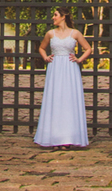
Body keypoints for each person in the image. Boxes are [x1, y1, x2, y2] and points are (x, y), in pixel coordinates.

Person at [33, 8, 93, 149]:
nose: (53, 18)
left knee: (68, 100)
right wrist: (45, 57)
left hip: (70, 68)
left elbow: (88, 48)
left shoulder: (75, 33)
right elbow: (42, 48)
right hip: (55, 69)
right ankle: (54, 138)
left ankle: (68, 138)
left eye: (55, 15)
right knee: (55, 100)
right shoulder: (50, 34)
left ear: (63, 17)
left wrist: (79, 60)